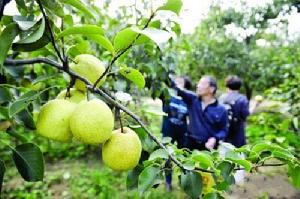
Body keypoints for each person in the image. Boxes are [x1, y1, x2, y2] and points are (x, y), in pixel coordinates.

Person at [172, 75, 228, 151]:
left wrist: (215, 138)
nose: (198, 86)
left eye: (202, 84)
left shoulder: (221, 109)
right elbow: (178, 89)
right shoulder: (192, 99)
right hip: (190, 144)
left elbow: (223, 130)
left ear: (212, 89)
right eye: (198, 83)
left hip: (208, 147)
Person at [161, 76, 191, 191]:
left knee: (182, 156)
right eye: (176, 81)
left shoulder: (187, 99)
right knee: (167, 156)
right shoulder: (167, 95)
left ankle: (182, 180)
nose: (177, 83)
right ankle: (168, 182)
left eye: (180, 82)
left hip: (182, 132)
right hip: (168, 131)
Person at [218, 75, 250, 148]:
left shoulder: (222, 98)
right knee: (239, 153)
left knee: (224, 152)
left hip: (224, 132)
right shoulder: (242, 99)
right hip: (238, 132)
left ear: (227, 85)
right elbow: (245, 114)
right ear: (239, 86)